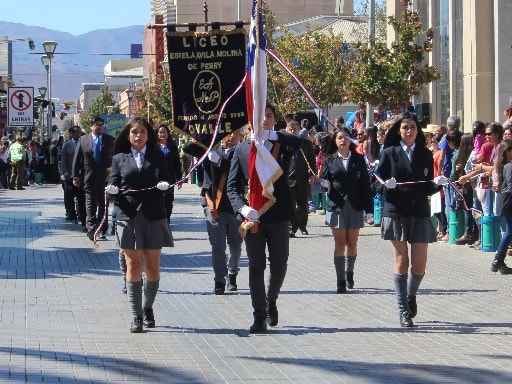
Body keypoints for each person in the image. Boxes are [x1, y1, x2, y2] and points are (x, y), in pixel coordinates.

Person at [227, 102, 302, 334]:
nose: (264, 120)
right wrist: (242, 208)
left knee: (279, 263)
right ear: (251, 121)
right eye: (260, 116)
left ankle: (271, 300)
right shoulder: (240, 150)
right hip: (254, 217)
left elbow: (302, 143)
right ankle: (259, 315)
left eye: (269, 116)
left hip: (279, 214)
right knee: (256, 265)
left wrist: (274, 134)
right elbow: (232, 187)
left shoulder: (281, 143)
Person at [375, 111, 445, 327]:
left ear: (418, 130)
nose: (409, 131)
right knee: (402, 261)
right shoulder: (389, 152)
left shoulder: (425, 153)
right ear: (399, 130)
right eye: (405, 127)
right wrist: (385, 185)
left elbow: (426, 186)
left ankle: (410, 294)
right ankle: (403, 311)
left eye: (413, 127)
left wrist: (438, 183)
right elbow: (376, 182)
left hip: (419, 212)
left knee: (420, 264)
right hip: (396, 211)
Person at [106, 117, 173, 333]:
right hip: (128, 215)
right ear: (128, 135)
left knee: (152, 267)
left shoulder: (158, 157)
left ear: (148, 135)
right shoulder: (119, 158)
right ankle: (136, 316)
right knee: (133, 264)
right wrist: (112, 189)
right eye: (134, 131)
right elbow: (114, 181)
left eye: (143, 131)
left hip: (153, 215)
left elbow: (167, 181)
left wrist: (164, 186)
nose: (138, 135)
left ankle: (148, 307)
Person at [321, 127, 373, 293]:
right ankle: (340, 280)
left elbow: (365, 185)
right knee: (340, 243)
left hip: (355, 205)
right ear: (335, 141)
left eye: (345, 137)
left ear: (350, 141)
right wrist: (323, 185)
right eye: (339, 138)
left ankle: (349, 271)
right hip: (337, 206)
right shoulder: (329, 160)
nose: (342, 140)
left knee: (352, 243)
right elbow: (324, 182)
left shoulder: (358, 159)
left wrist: (369, 209)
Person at [202, 129, 244, 294]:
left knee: (236, 244)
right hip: (214, 206)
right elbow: (191, 146)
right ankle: (219, 280)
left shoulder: (241, 151)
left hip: (233, 206)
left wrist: (219, 161)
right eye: (229, 132)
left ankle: (232, 274)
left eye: (237, 133)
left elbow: (236, 169)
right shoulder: (211, 149)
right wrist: (202, 131)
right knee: (218, 246)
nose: (232, 136)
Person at [72, 116, 115, 241]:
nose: (100, 127)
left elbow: (114, 159)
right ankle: (91, 227)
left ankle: (102, 227)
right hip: (89, 177)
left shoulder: (110, 140)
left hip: (105, 178)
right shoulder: (83, 139)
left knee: (103, 204)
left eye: (102, 125)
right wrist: (75, 176)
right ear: (91, 126)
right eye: (97, 124)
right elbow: (77, 159)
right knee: (90, 203)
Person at [287, 120, 317, 237]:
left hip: (303, 178)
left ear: (299, 129)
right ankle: (291, 228)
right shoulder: (285, 143)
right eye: (291, 129)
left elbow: (312, 160)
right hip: (289, 179)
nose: (293, 131)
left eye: (295, 129)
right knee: (291, 204)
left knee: (303, 204)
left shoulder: (306, 143)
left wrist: (312, 175)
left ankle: (302, 225)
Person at [491, 140, 512, 274]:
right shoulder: (509, 166)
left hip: (505, 200)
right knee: (509, 231)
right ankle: (498, 259)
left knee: (509, 230)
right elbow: (510, 186)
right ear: (508, 151)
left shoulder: (504, 165)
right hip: (509, 200)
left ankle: (500, 262)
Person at [156, 124, 183, 228]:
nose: (162, 134)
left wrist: (180, 179)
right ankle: (159, 222)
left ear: (167, 134)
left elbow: (177, 163)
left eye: (164, 132)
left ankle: (167, 221)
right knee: (158, 201)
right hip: (157, 178)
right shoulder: (154, 146)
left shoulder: (172, 145)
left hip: (170, 178)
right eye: (160, 132)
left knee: (168, 201)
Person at [60, 125, 85, 225]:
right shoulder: (66, 145)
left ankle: (81, 216)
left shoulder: (83, 143)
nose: (79, 134)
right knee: (69, 197)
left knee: (81, 197)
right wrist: (64, 172)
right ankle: (72, 215)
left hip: (80, 175)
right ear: (71, 133)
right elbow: (63, 160)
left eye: (80, 132)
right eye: (76, 132)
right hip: (69, 176)